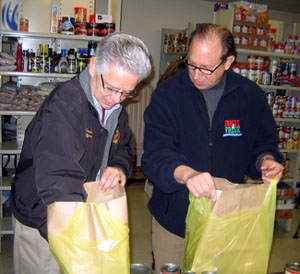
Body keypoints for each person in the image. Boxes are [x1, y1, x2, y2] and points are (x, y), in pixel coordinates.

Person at [141, 23, 284, 273]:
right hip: (174, 218)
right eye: (192, 64)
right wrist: (187, 174)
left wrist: (266, 160)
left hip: (225, 216)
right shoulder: (168, 94)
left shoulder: (250, 96)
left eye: (207, 68)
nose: (197, 75)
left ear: (228, 62)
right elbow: (154, 155)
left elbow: (263, 142)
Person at [11, 32, 152, 274]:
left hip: (83, 213)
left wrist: (118, 166)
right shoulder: (64, 107)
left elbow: (124, 146)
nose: (117, 99)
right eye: (112, 88)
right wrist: (85, 236)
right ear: (94, 66)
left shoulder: (115, 108)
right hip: (46, 218)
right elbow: (60, 181)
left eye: (127, 92)